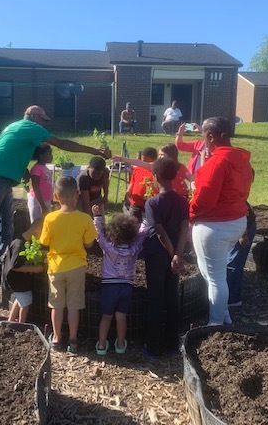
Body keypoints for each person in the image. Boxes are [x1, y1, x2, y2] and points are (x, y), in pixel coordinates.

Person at [0, 105, 110, 280]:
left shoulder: (14, 126)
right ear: (33, 117)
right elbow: (62, 144)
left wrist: (23, 170)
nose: (44, 124)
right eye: (43, 120)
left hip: (4, 176)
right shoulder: (30, 127)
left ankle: (3, 260)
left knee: (6, 221)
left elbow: (11, 151)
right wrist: (94, 150)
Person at [189, 117, 253, 326]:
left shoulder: (217, 162)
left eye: (203, 137)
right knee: (215, 274)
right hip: (236, 221)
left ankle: (216, 324)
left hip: (214, 226)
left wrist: (187, 212)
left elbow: (204, 200)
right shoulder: (241, 160)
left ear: (210, 137)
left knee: (215, 277)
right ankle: (223, 315)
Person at [40, 176, 97, 353]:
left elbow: (45, 241)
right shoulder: (85, 219)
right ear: (77, 195)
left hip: (56, 266)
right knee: (74, 305)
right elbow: (89, 244)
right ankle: (73, 340)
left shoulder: (50, 218)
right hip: (77, 267)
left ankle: (56, 339)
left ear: (56, 196)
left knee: (56, 304)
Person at [141, 157, 189, 358]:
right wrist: (178, 254)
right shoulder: (182, 201)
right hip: (175, 253)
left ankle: (153, 346)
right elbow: (185, 228)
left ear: (155, 177)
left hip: (158, 255)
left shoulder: (152, 203)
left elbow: (159, 233)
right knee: (172, 297)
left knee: (155, 298)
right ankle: (172, 344)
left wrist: (172, 255)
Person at [92, 203, 149, 355]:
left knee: (106, 316)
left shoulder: (108, 247)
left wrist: (98, 217)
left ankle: (102, 345)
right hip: (126, 287)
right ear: (132, 233)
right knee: (121, 316)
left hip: (109, 287)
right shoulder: (134, 248)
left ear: (113, 232)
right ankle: (121, 344)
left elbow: (100, 235)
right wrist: (146, 220)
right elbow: (142, 234)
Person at [113, 143, 192, 200]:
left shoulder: (181, 167)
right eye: (159, 155)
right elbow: (140, 163)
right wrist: (123, 159)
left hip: (181, 196)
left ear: (171, 155)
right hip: (166, 197)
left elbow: (192, 179)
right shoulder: (157, 166)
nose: (159, 157)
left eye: (162, 155)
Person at [4, 218, 45, 323]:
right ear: (38, 230)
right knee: (26, 303)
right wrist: (35, 269)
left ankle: (11, 321)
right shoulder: (19, 244)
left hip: (19, 279)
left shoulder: (24, 241)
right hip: (18, 280)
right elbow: (15, 266)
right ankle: (21, 325)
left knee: (20, 300)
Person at [226, 202, 256, 307]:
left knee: (233, 263)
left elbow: (239, 207)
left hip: (243, 226)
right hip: (229, 225)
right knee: (228, 262)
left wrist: (243, 233)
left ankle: (233, 299)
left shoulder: (230, 192)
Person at [123, 147, 158, 223]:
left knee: (148, 225)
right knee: (132, 224)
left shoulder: (156, 171)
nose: (143, 163)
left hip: (149, 204)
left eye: (146, 161)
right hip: (135, 203)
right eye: (142, 161)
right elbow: (133, 182)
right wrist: (128, 191)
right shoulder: (138, 169)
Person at [27, 143, 54, 223]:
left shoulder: (45, 168)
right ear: (41, 155)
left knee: (45, 224)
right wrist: (42, 206)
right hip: (37, 201)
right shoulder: (36, 169)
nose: (51, 156)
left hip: (46, 201)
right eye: (48, 153)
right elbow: (36, 187)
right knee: (36, 224)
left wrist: (50, 201)